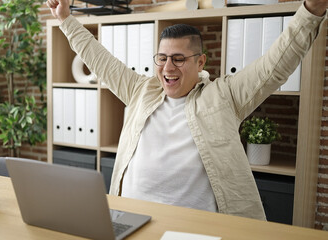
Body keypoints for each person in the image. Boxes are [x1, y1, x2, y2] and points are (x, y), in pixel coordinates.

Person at [47, 0, 327, 220]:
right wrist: (65, 19)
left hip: (193, 228)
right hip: (131, 218)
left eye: (179, 59)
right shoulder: (140, 90)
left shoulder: (224, 96)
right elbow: (100, 60)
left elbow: (274, 66)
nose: (168, 68)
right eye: (162, 58)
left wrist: (311, 10)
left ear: (200, 61)